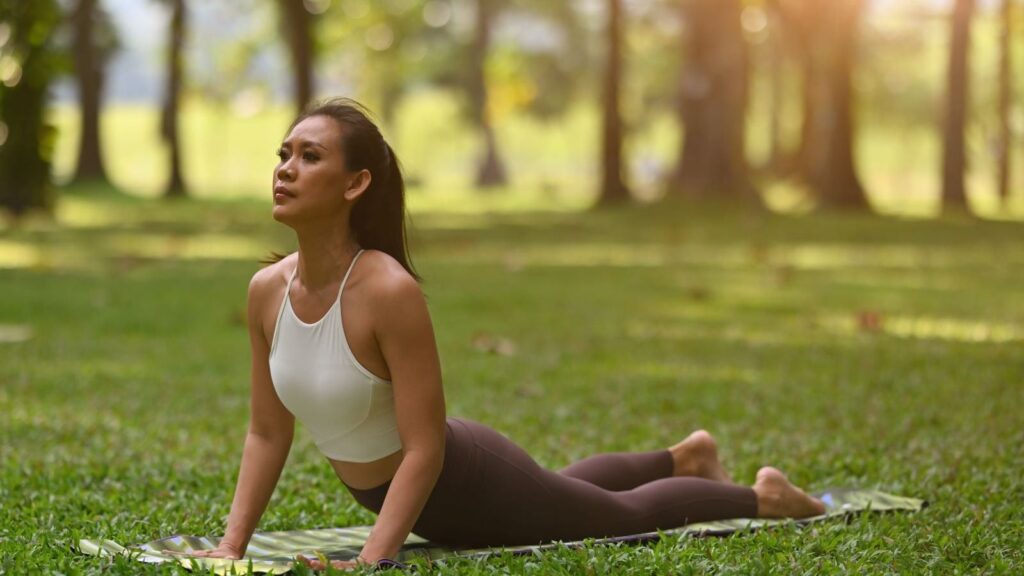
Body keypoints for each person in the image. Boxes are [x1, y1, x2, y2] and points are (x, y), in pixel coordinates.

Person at [190, 97, 825, 571]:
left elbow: (423, 450)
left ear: (357, 184)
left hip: (463, 478)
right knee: (565, 493)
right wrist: (231, 546)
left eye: (309, 156)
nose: (285, 169)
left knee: (618, 520)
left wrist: (372, 561)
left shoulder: (387, 291)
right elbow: (267, 431)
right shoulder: (267, 291)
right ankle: (684, 456)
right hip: (421, 500)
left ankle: (762, 495)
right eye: (283, 155)